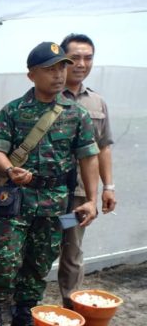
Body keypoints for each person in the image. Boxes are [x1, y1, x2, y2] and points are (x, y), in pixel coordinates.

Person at [0, 42, 99, 326]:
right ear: (31, 75)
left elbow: (88, 157)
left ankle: (23, 314)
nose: (59, 74)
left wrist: (90, 199)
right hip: (17, 198)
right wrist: (9, 170)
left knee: (41, 260)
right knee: (5, 258)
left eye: (62, 66)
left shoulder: (77, 114)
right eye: (50, 68)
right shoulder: (13, 111)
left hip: (56, 200)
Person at [58, 33, 116, 308]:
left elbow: (103, 147)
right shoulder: (47, 97)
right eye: (75, 57)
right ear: (63, 60)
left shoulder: (97, 102)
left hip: (81, 195)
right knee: (36, 247)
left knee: (72, 248)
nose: (82, 63)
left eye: (88, 57)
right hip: (47, 193)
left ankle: (70, 307)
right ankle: (25, 308)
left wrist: (108, 187)